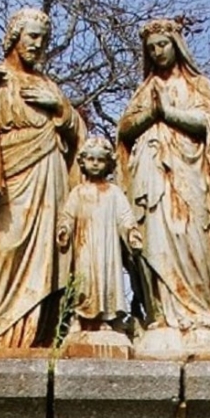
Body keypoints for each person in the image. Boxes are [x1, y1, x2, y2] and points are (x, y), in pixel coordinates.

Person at [0, 7, 85, 353]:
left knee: (52, 256)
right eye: (32, 36)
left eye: (44, 39)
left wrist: (61, 109)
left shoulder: (49, 86)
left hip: (51, 176)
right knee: (7, 247)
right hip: (12, 179)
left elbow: (78, 134)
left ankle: (39, 337)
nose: (38, 44)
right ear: (15, 37)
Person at [116, 17, 210, 338]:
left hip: (188, 177)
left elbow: (207, 124)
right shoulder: (145, 91)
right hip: (149, 180)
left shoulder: (198, 86)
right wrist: (151, 115)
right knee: (154, 242)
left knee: (190, 237)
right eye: (151, 49)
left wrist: (168, 114)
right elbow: (124, 130)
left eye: (163, 45)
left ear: (176, 46)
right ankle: (160, 315)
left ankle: (199, 312)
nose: (157, 53)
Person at [57, 137, 142, 331]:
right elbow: (68, 216)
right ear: (83, 162)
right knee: (84, 280)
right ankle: (80, 318)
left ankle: (106, 318)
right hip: (84, 246)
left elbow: (125, 217)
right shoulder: (78, 192)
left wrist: (131, 233)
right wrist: (64, 229)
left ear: (108, 163)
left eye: (100, 160)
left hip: (107, 248)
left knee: (106, 280)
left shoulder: (114, 192)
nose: (95, 164)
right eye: (91, 159)